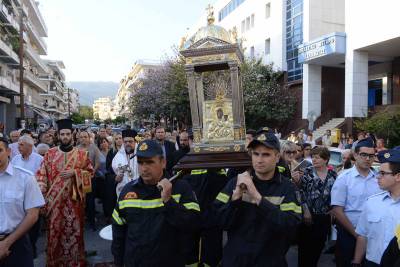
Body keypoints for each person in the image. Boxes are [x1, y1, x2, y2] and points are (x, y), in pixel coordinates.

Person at [214, 128, 302, 266]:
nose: (259, 160)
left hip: (270, 262)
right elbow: (219, 221)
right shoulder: (235, 182)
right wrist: (235, 198)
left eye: (266, 155)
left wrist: (257, 197)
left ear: (277, 157)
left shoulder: (287, 188)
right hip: (236, 261)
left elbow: (291, 227)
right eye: (256, 154)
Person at [111, 139, 200, 267]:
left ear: (163, 162)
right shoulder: (128, 192)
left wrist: (169, 201)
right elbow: (118, 234)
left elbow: (193, 225)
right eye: (140, 163)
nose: (144, 168)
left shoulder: (181, 188)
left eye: (149, 162)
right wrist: (118, 263)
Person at [36, 119, 94, 267]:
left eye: (68, 134)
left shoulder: (82, 155)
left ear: (72, 135)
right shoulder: (50, 154)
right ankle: (55, 262)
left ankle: (75, 262)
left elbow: (90, 173)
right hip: (55, 204)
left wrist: (75, 173)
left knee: (75, 233)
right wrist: (42, 199)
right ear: (58, 135)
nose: (65, 137)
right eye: (62, 134)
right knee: (56, 234)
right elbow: (41, 176)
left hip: (75, 203)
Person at [331, 137, 382, 267]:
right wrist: (357, 234)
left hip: (373, 235)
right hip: (348, 233)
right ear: (355, 155)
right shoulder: (344, 178)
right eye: (364, 155)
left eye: (371, 156)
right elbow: (337, 210)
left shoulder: (379, 179)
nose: (367, 159)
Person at [0, 137, 45, 267]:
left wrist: (6, 243)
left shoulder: (25, 177)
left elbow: (32, 215)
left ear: (8, 152)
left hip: (17, 243)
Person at [352, 148, 400, 266]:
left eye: (383, 173)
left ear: (398, 176)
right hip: (372, 263)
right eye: (379, 172)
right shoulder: (372, 202)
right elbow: (363, 236)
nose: (377, 177)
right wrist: (356, 262)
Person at [293, 146, 337, 267]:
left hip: (324, 217)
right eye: (313, 157)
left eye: (317, 157)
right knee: (305, 250)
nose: (314, 160)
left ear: (326, 159)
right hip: (308, 216)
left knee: (318, 248)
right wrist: (305, 210)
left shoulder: (333, 174)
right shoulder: (306, 172)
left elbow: (336, 194)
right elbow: (300, 192)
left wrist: (334, 210)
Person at [10, 135, 44, 257]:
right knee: (21, 223)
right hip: (18, 196)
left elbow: (43, 177)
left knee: (33, 224)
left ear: (30, 146)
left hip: (33, 195)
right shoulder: (15, 159)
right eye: (18, 144)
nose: (18, 147)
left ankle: (32, 247)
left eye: (21, 144)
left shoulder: (39, 159)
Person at [77, 130, 100, 230]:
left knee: (90, 201)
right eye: (81, 137)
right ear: (79, 138)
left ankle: (92, 222)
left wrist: (93, 172)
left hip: (91, 178)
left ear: (88, 137)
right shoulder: (76, 149)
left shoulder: (94, 148)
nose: (83, 139)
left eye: (85, 137)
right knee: (79, 200)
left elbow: (98, 162)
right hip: (79, 178)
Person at [112, 129, 139, 197]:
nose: (128, 144)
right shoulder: (117, 157)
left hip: (139, 190)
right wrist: (115, 178)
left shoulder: (141, 155)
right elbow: (110, 174)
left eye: (130, 141)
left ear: (135, 142)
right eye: (125, 142)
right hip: (123, 192)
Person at [104, 133, 123, 222]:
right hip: (114, 179)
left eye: (120, 138)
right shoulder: (111, 152)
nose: (119, 140)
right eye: (117, 138)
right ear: (114, 141)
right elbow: (108, 168)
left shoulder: (127, 151)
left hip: (124, 178)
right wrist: (115, 176)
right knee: (112, 199)